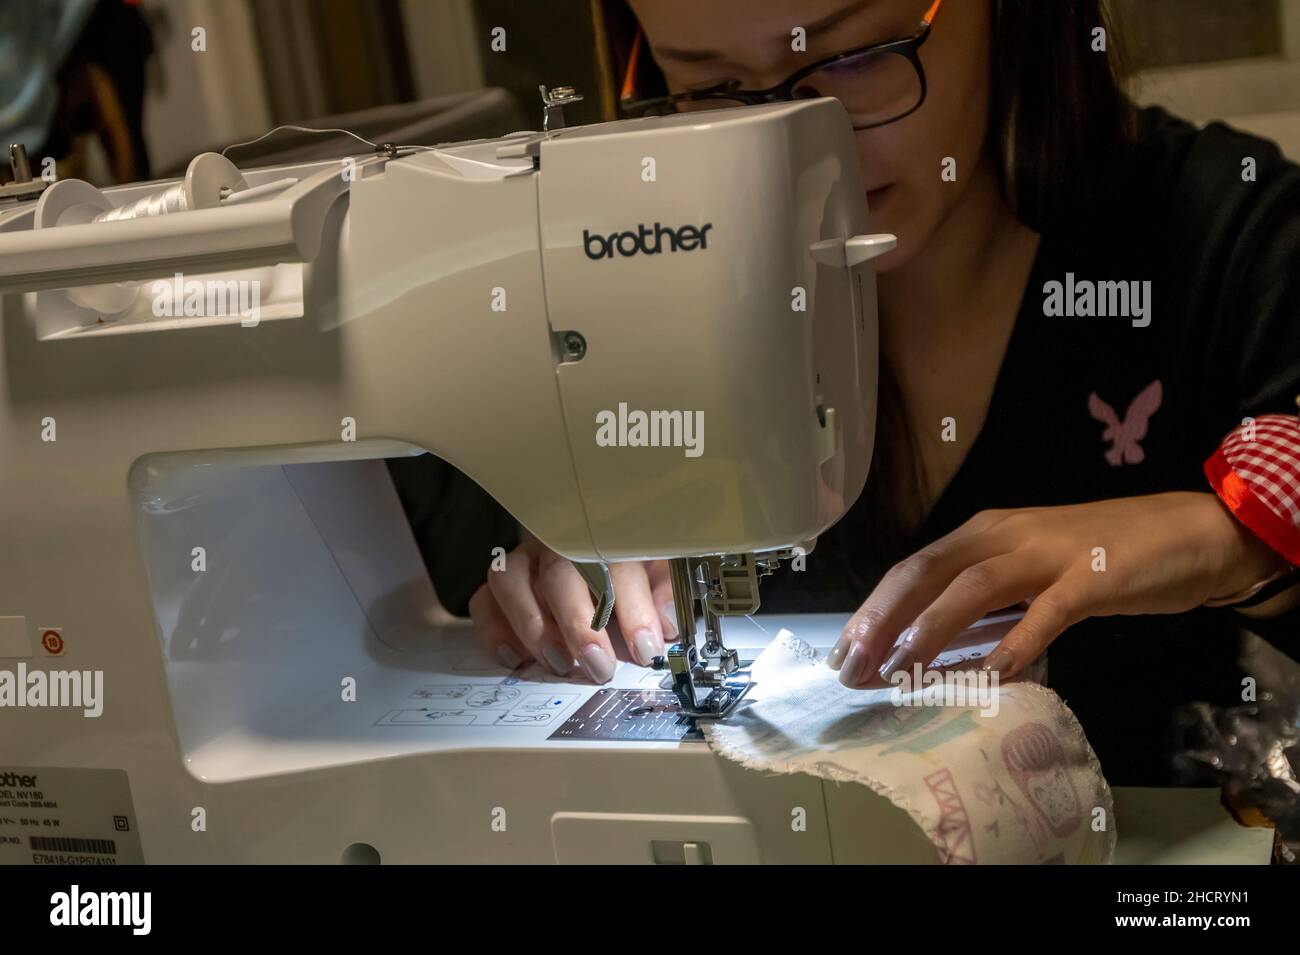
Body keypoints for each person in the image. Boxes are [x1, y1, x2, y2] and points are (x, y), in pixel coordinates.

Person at [447, 0, 1300, 784]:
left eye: (855, 56)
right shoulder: (624, 284)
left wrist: (1224, 534)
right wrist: (567, 543)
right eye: (711, 84)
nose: (796, 136)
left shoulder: (1222, 233)